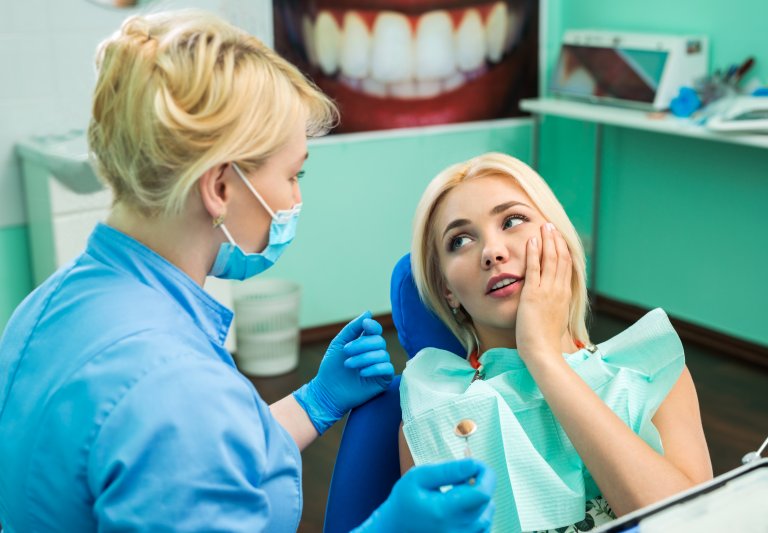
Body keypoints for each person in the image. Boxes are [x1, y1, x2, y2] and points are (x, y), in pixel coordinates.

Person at [0, 11, 495, 532]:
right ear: (219, 187)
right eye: (292, 174)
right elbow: (186, 433)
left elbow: (198, 463)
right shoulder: (175, 388)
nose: (296, 198)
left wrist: (317, 400)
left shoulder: (49, 305)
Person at [398, 153, 713, 532]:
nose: (492, 252)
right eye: (460, 240)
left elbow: (693, 524)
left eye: (512, 220)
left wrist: (543, 357)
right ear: (447, 290)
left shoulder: (654, 375)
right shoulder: (435, 415)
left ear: (559, 239)